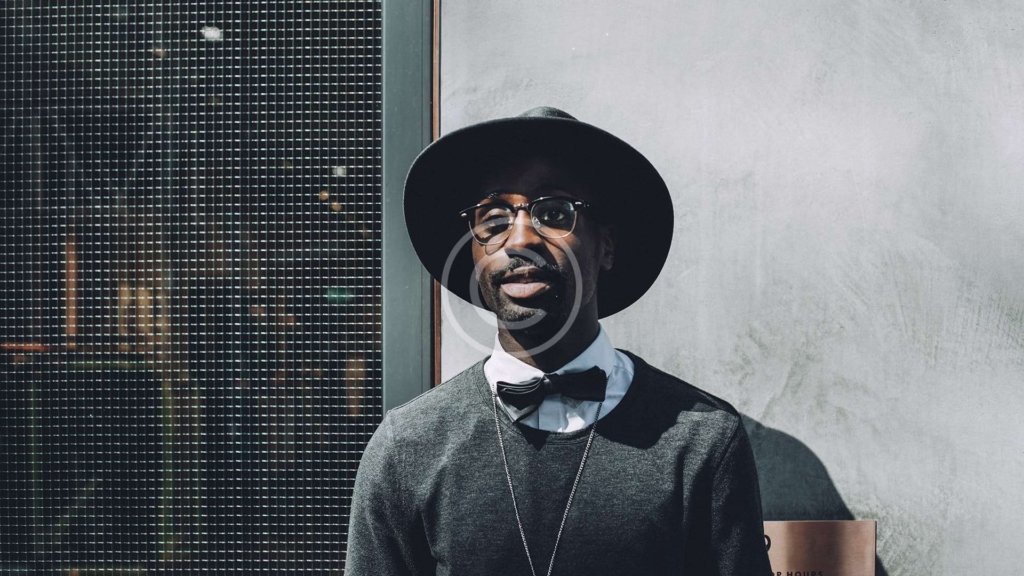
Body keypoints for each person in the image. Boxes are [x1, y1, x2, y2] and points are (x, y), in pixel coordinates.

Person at [345, 107, 772, 575]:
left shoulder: (702, 440)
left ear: (606, 246)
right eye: (493, 219)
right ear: (473, 253)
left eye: (553, 213)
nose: (520, 239)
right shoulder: (408, 446)